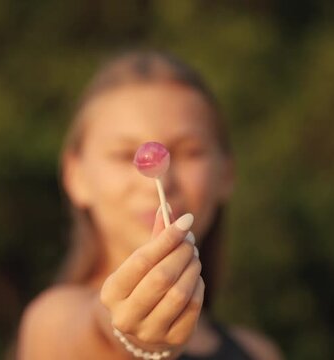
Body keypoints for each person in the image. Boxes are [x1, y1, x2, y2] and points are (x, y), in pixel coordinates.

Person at [17, 50, 282, 360]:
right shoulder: (52, 323)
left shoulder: (259, 352)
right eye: (121, 154)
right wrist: (132, 338)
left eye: (190, 152)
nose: (159, 180)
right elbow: (93, 330)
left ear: (226, 173)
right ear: (76, 177)